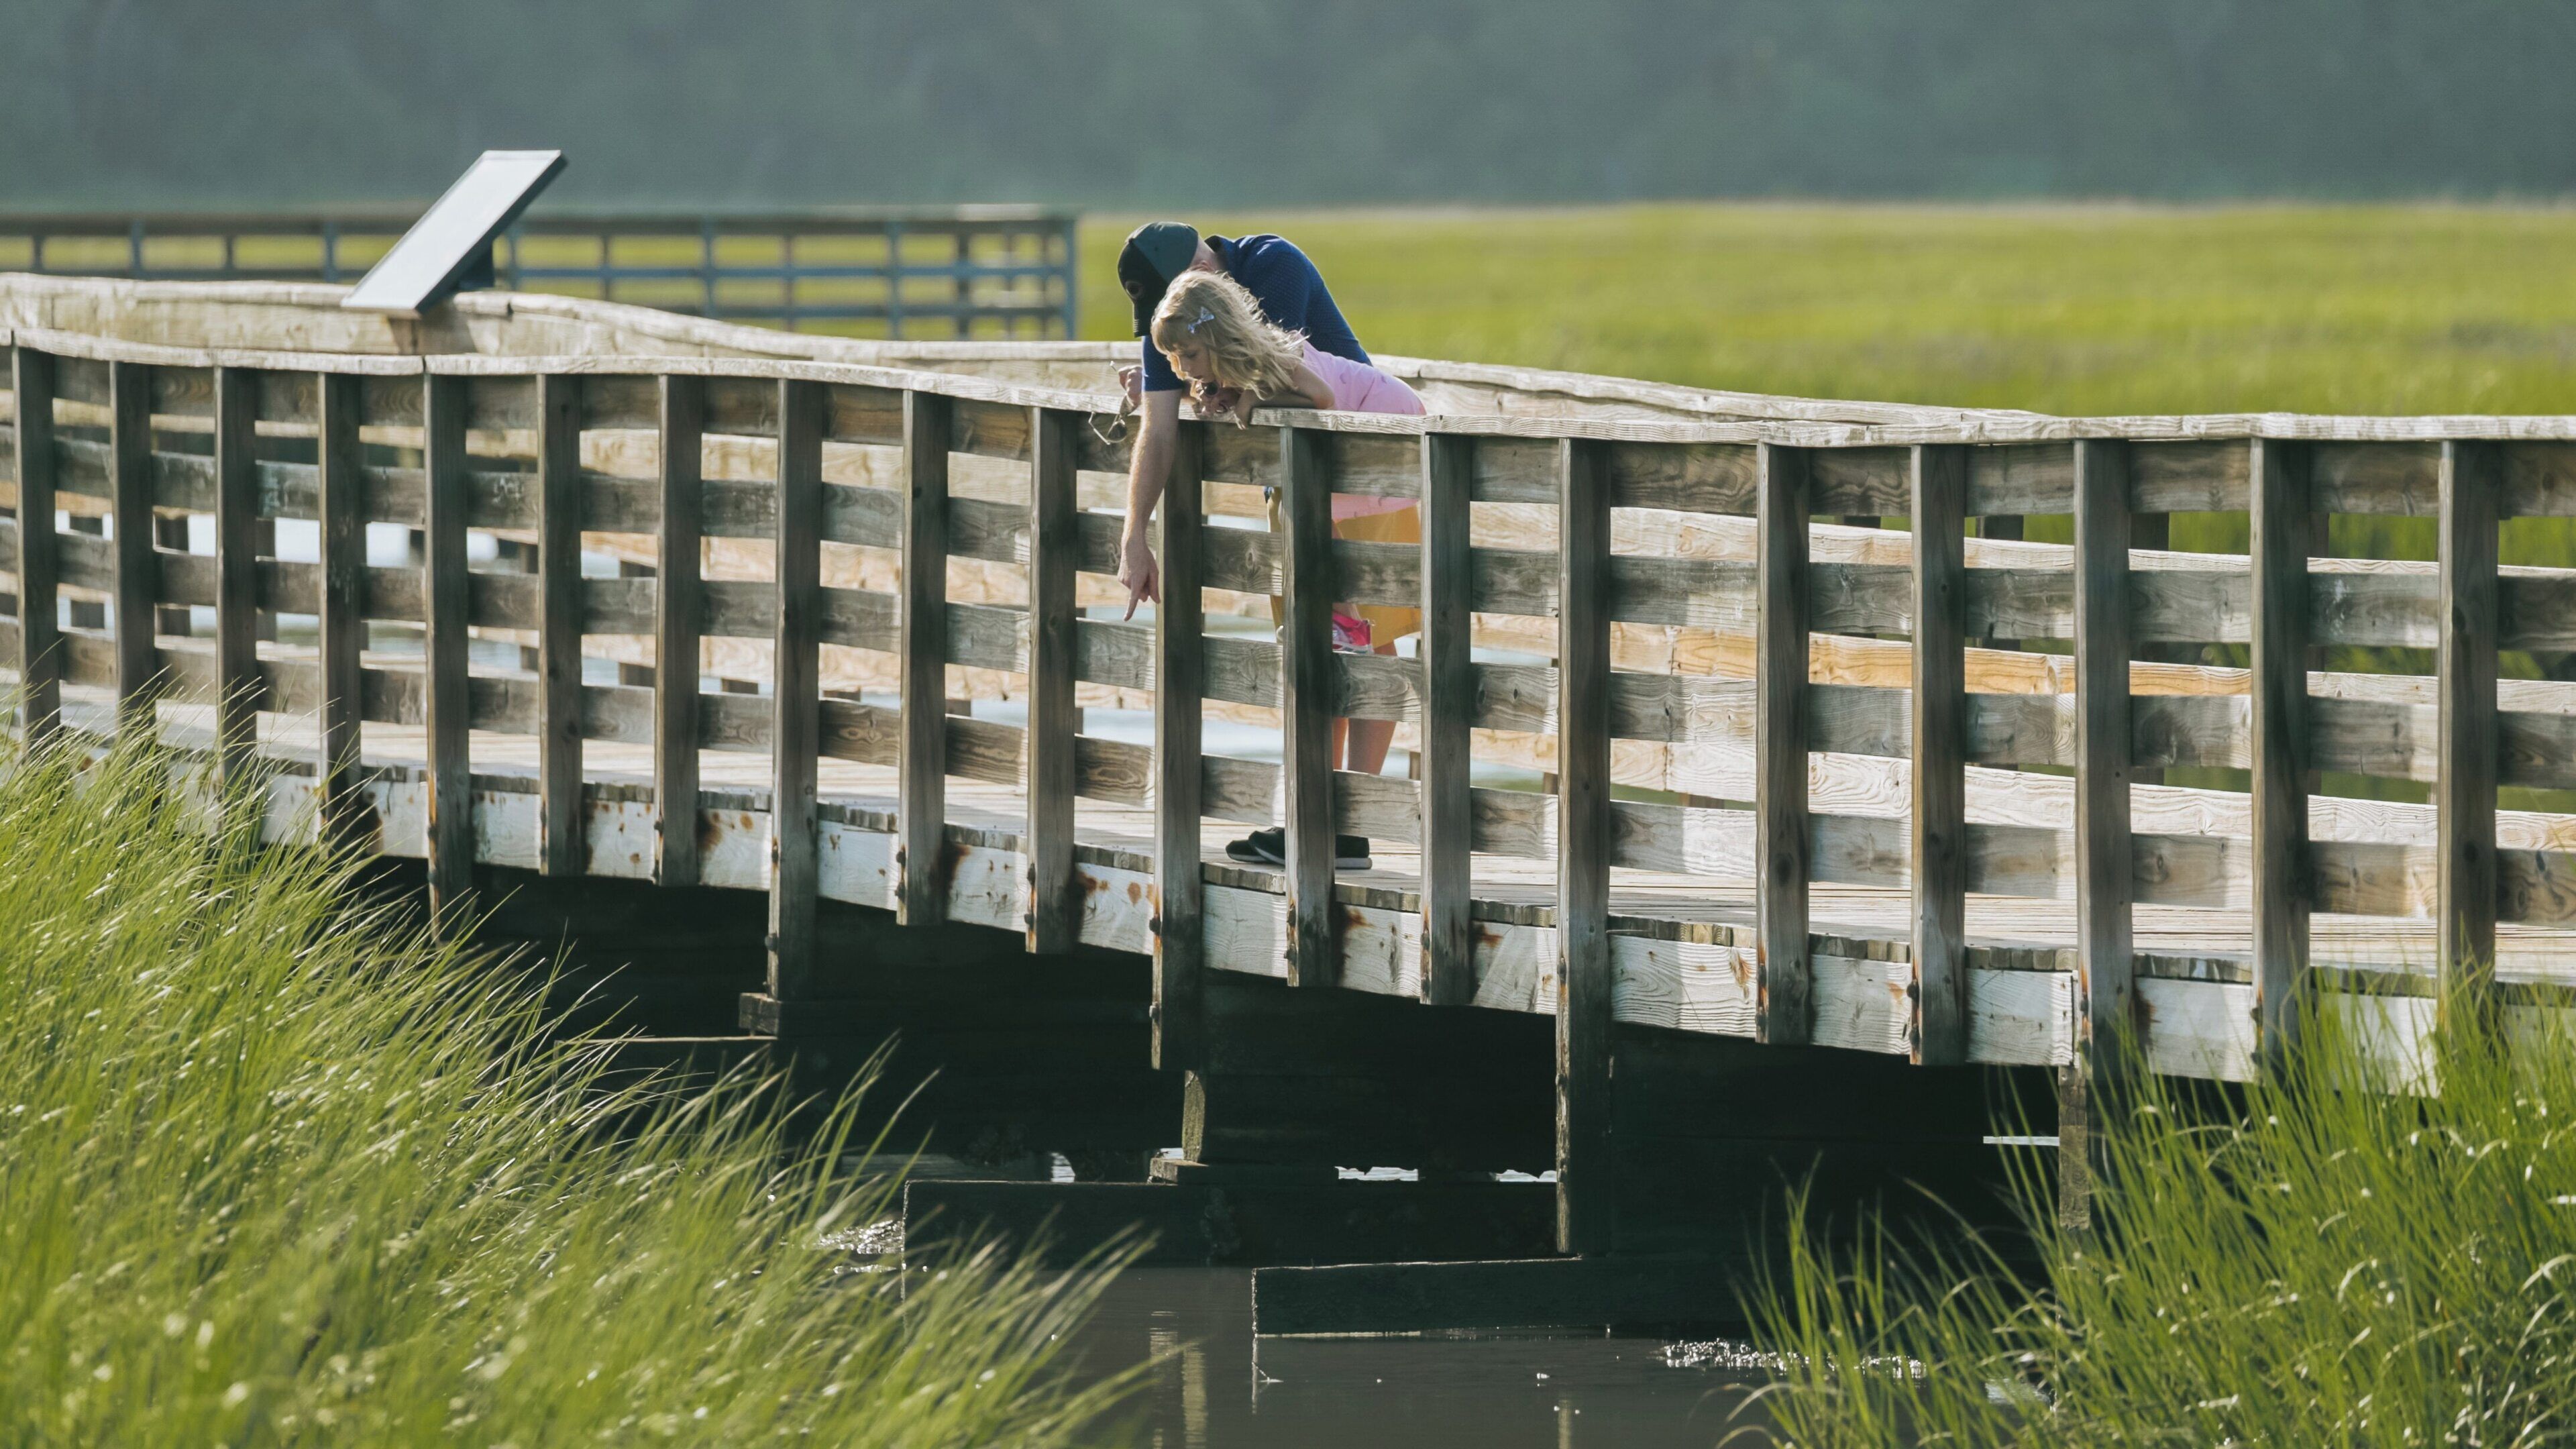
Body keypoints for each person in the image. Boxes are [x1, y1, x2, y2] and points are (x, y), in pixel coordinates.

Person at [1143, 268, 1426, 873]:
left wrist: (1252, 397)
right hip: (1321, 490)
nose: (1184, 368)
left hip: (1380, 464)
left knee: (1365, 636)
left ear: (1218, 336)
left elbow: (1322, 399)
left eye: (1190, 354)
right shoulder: (1233, 373)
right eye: (1175, 358)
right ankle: (1318, 812)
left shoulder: (1278, 357)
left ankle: (1350, 821)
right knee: (1325, 642)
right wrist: (1222, 394)